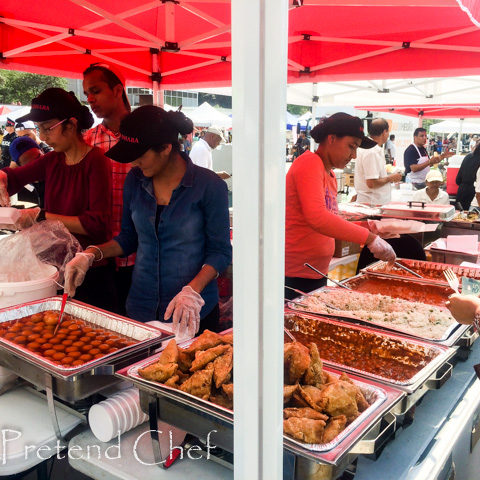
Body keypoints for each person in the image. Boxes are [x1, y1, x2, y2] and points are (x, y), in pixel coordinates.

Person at [64, 106, 232, 338]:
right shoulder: (135, 181)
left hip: (192, 313)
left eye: (140, 156)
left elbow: (220, 252)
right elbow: (128, 239)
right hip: (141, 308)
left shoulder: (209, 186)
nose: (133, 164)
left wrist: (192, 290)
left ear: (165, 148)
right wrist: (91, 254)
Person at [0, 88, 115, 311]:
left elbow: (96, 223)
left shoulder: (96, 161)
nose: (42, 137)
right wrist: (3, 177)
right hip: (55, 267)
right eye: (38, 129)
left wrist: (40, 215)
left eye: (47, 129)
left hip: (89, 269)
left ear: (70, 125)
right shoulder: (53, 159)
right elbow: (15, 176)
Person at [285, 112, 396, 299]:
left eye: (356, 150)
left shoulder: (330, 175)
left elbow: (331, 217)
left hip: (315, 271)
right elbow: (317, 217)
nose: (353, 156)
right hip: (295, 274)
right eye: (351, 147)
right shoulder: (309, 163)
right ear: (331, 139)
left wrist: (368, 227)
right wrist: (369, 238)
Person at [82, 62, 134, 315]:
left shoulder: (145, 136)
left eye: (96, 91)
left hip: (140, 254)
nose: (90, 99)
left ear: (117, 90)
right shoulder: (87, 140)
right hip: (100, 253)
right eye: (86, 94)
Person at [354, 118, 402, 206]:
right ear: (384, 132)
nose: (388, 135)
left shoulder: (373, 149)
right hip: (372, 204)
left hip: (374, 203)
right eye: (388, 132)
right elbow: (371, 183)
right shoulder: (372, 151)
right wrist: (390, 178)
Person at [8, 136, 45, 206]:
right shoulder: (18, 187)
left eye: (38, 158)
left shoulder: (58, 173)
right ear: (19, 165)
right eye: (30, 164)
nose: (37, 166)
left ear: (42, 151)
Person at [456, 143, 480, 210]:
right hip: (474, 196)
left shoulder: (468, 157)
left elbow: (458, 180)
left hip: (462, 192)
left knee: (460, 218)